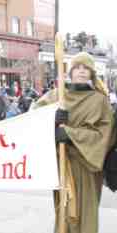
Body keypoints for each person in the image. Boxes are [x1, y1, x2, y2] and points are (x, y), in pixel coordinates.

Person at [32, 52, 115, 233]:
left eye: (86, 68)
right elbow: (33, 117)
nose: (81, 71)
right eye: (77, 67)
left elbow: (105, 135)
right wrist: (51, 119)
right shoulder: (57, 95)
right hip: (62, 164)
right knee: (64, 214)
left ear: (92, 73)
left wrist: (70, 134)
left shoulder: (99, 101)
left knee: (85, 215)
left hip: (87, 168)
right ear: (70, 72)